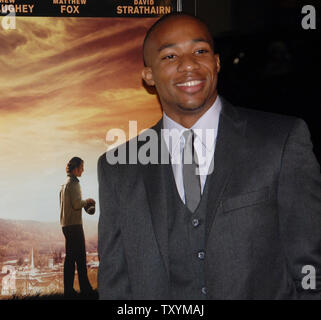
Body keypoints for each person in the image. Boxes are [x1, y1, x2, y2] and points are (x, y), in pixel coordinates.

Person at [97, 13, 321, 299]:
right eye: (169, 57)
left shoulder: (281, 141)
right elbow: (116, 287)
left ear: (216, 62)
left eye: (200, 51)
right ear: (148, 76)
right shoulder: (118, 167)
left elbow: (311, 271)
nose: (188, 64)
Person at [60, 157, 95, 297]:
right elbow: (76, 204)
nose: (83, 170)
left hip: (66, 225)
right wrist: (87, 201)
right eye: (82, 167)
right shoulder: (74, 183)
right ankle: (86, 289)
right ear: (76, 168)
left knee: (70, 259)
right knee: (80, 258)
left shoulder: (64, 184)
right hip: (74, 226)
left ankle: (68, 290)